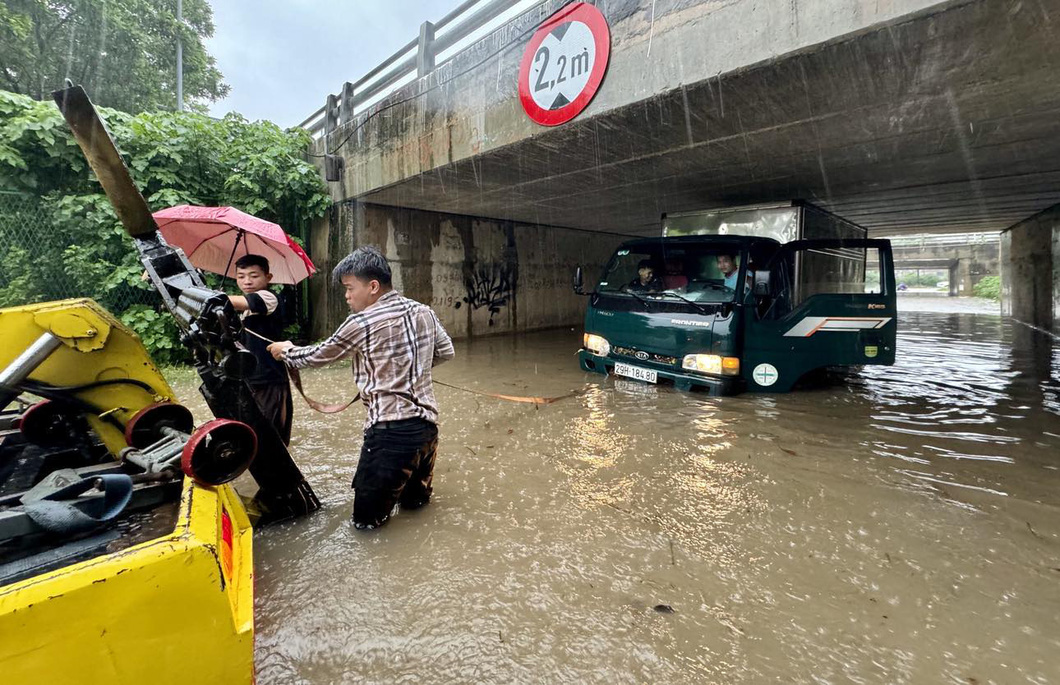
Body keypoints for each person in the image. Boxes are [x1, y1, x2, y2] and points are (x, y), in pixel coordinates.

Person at [266, 246, 455, 530]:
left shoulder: (362, 322)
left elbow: (319, 355)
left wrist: (286, 350)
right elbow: (446, 351)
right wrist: (405, 371)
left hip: (389, 438)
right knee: (416, 511)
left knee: (366, 526)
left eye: (350, 288)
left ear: (374, 286)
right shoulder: (423, 311)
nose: (347, 295)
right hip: (427, 432)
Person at [226, 254, 293, 445]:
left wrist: (213, 296)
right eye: (241, 276)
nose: (247, 281)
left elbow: (237, 302)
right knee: (249, 434)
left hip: (268, 378)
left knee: (269, 437)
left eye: (254, 276)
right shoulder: (242, 308)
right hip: (248, 377)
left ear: (268, 278)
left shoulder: (268, 298)